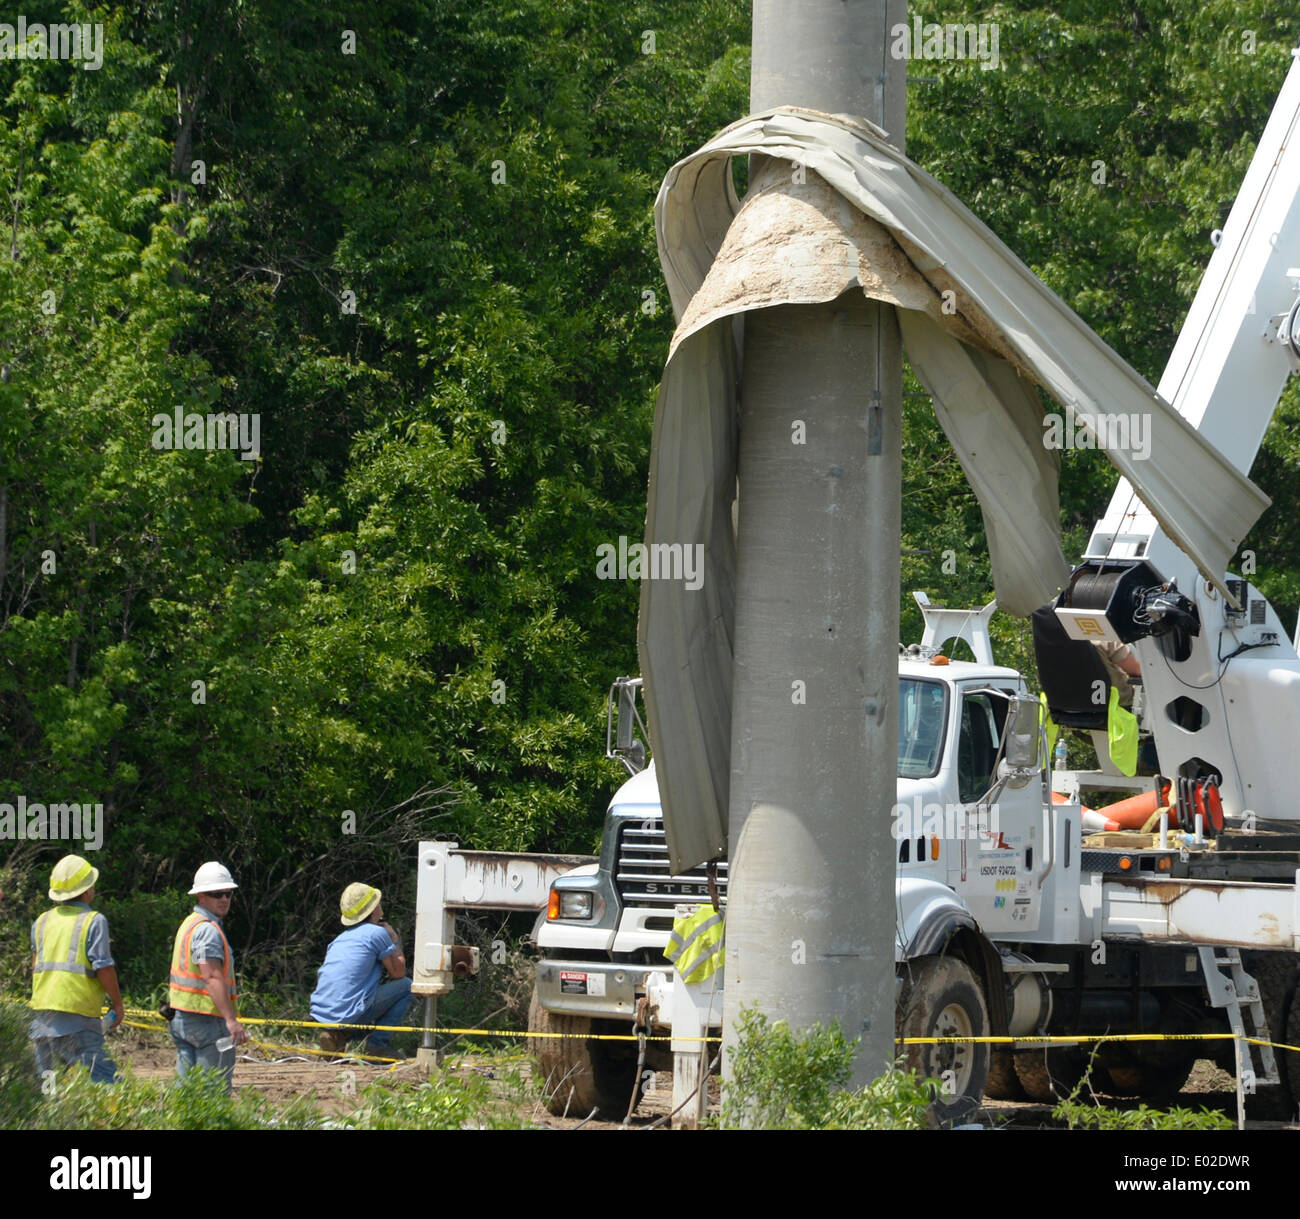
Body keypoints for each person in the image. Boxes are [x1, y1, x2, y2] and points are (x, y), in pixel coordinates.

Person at [30, 854, 123, 1084]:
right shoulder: (94, 921)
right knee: (106, 1087)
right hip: (78, 1024)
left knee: (49, 1093)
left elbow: (35, 967)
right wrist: (118, 1004)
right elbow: (104, 969)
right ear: (88, 890)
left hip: (42, 1023)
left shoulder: (41, 922)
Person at [168, 861, 248, 1091]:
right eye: (216, 894)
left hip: (184, 1020)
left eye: (228, 894)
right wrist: (231, 1021)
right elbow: (211, 976)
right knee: (213, 1094)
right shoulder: (207, 930)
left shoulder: (190, 924)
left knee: (187, 1094)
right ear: (201, 896)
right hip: (208, 1021)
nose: (224, 899)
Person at [311, 883, 413, 1056]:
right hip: (348, 1012)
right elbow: (398, 973)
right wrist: (394, 938)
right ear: (374, 910)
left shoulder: (339, 939)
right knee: (407, 987)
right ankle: (377, 1045)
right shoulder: (376, 933)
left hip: (322, 1013)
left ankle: (336, 1035)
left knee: (363, 1001)